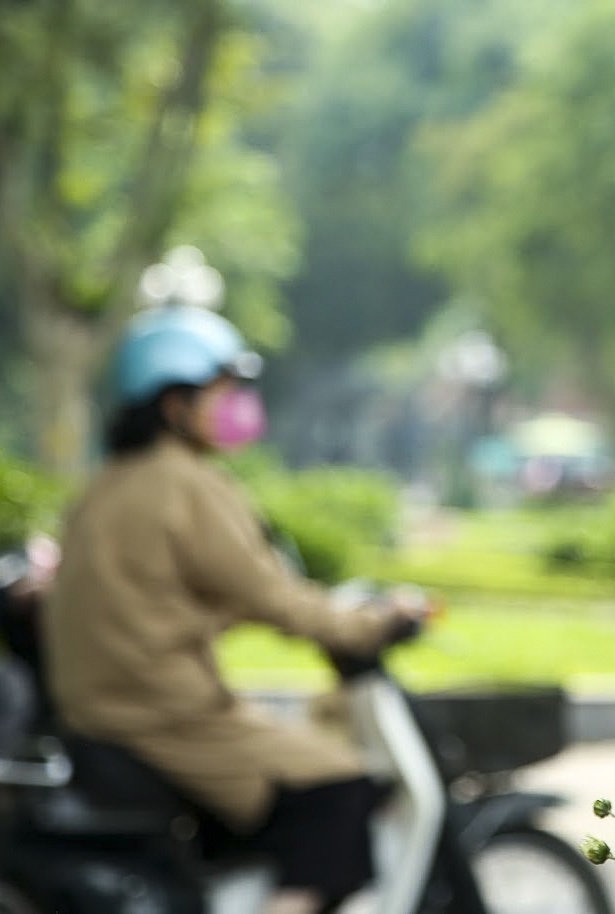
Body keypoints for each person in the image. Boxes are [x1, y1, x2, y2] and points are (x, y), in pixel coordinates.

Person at [41, 304, 420, 914]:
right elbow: (271, 594)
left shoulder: (102, 485)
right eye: (222, 390)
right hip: (164, 715)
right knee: (339, 793)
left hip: (101, 713)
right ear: (174, 405)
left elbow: (157, 600)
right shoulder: (187, 484)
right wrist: (371, 625)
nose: (235, 405)